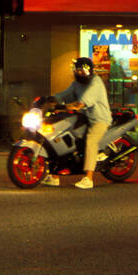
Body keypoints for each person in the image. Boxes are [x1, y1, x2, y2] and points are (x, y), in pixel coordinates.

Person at [42, 56, 111, 189]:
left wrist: (69, 106)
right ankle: (55, 175)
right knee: (61, 136)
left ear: (89, 71)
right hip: (84, 117)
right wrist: (49, 98)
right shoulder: (76, 84)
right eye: (77, 70)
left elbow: (80, 103)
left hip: (99, 119)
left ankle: (89, 178)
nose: (79, 73)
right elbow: (64, 94)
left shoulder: (95, 83)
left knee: (91, 141)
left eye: (82, 71)